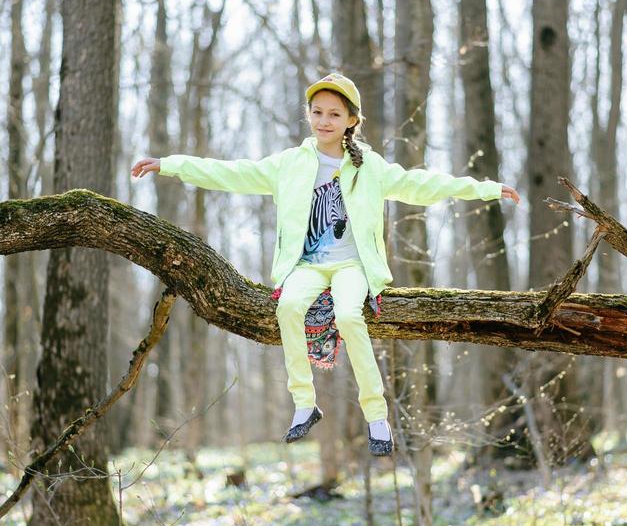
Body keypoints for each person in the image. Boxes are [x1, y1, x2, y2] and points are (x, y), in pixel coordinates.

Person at [131, 72, 520, 456]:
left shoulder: (370, 166)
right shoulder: (289, 164)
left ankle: (376, 416)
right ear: (309, 115)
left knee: (350, 317)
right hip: (306, 266)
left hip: (353, 266)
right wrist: (169, 164)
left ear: (351, 120)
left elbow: (424, 184)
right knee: (287, 307)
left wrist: (483, 189)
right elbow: (230, 173)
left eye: (334, 114)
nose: (324, 121)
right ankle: (304, 402)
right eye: (317, 112)